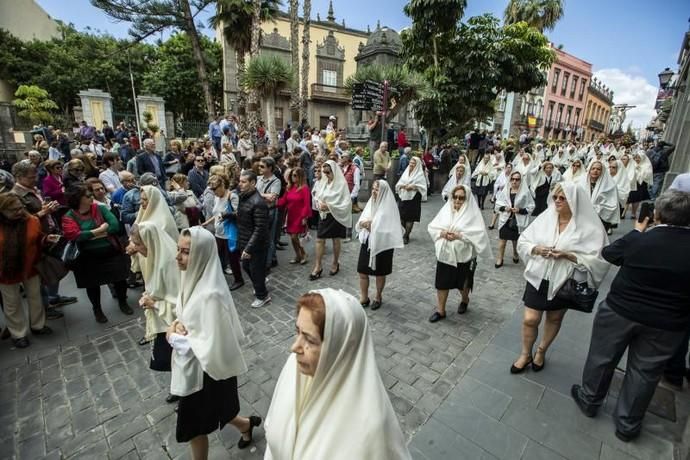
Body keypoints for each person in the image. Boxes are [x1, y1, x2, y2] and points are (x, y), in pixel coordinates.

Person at [571, 190, 690, 442]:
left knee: (602, 357)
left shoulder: (639, 239)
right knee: (645, 372)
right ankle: (627, 423)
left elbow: (609, 254)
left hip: (621, 311)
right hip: (668, 323)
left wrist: (637, 231)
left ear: (656, 214)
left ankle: (590, 399)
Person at [263, 288, 412, 460]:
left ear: (339, 349)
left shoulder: (370, 431)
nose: (294, 347)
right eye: (297, 332)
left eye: (310, 340)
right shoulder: (294, 369)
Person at [168, 227, 261, 458]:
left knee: (194, 428)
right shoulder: (190, 278)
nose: (178, 256)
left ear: (201, 255)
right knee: (220, 411)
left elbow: (214, 343)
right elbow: (187, 317)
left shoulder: (211, 295)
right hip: (196, 371)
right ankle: (246, 425)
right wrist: (175, 325)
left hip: (208, 373)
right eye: (178, 249)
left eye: (186, 251)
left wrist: (175, 336)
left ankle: (245, 425)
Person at [512, 182, 609, 374]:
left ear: (574, 201)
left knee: (554, 318)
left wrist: (568, 255)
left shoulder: (590, 227)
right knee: (530, 319)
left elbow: (599, 259)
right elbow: (524, 240)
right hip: (538, 276)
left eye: (562, 198)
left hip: (564, 281)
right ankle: (525, 353)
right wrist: (536, 249)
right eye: (555, 197)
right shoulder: (546, 218)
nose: (557, 201)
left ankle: (541, 351)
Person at [62, 184, 133, 323]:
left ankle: (123, 302)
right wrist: (99, 230)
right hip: (87, 257)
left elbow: (114, 225)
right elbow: (75, 236)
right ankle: (97, 309)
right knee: (92, 285)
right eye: (87, 195)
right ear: (78, 199)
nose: (91, 197)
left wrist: (89, 234)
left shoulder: (99, 208)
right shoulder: (68, 216)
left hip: (110, 251)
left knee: (120, 279)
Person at [126, 222, 178, 402]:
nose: (136, 248)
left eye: (138, 244)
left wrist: (154, 303)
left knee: (178, 359)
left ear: (150, 241)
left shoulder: (169, 263)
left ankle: (188, 395)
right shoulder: (154, 255)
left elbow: (181, 304)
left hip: (174, 323)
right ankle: (180, 389)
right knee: (172, 360)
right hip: (163, 321)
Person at [0, 193, 59, 348]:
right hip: (5, 271)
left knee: (35, 297)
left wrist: (46, 239)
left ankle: (38, 326)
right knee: (12, 303)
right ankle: (18, 334)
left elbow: (38, 238)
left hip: (30, 266)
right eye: (13, 210)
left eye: (20, 208)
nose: (19, 212)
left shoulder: (31, 221)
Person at [427, 184, 492, 323]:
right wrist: (442, 233)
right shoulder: (446, 211)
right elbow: (433, 227)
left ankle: (464, 299)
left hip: (464, 256)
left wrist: (459, 236)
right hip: (445, 254)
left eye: (461, 198)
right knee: (442, 282)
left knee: (463, 282)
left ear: (466, 199)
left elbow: (478, 234)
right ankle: (441, 310)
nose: (457, 200)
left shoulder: (472, 214)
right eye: (455, 197)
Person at [355, 180, 404, 311]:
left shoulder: (389, 207)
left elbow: (390, 228)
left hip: (383, 245)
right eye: (373, 189)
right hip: (368, 242)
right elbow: (362, 220)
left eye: (377, 189)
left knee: (380, 273)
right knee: (362, 270)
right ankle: (364, 297)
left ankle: (378, 296)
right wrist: (364, 224)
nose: (374, 191)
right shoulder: (371, 203)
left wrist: (373, 226)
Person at [311, 160, 352, 280]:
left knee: (335, 240)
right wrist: (319, 203)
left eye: (328, 172)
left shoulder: (341, 184)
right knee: (319, 239)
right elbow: (317, 196)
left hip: (335, 216)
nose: (325, 174)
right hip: (323, 215)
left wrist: (329, 206)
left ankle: (335, 262)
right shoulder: (323, 183)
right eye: (324, 172)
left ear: (333, 171)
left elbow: (346, 203)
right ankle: (318, 266)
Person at [237, 170, 271, 308]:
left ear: (253, 183)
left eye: (243, 182)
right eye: (240, 181)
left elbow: (260, 228)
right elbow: (243, 215)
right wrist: (227, 215)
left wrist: (249, 248)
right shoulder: (244, 196)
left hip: (257, 244)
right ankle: (260, 284)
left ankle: (263, 296)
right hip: (246, 239)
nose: (240, 184)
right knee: (247, 266)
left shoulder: (258, 202)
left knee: (255, 269)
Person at [494, 171, 534, 268]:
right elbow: (498, 205)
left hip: (517, 221)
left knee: (515, 241)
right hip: (505, 220)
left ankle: (515, 253)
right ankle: (500, 258)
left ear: (520, 181)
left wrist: (520, 210)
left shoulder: (525, 193)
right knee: (502, 242)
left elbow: (531, 206)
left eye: (517, 179)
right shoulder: (506, 191)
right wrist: (505, 208)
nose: (514, 181)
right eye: (512, 179)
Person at [277, 167, 311, 265]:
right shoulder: (289, 188)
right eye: (291, 175)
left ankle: (303, 254)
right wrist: (272, 202)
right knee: (292, 237)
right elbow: (283, 200)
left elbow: (306, 204)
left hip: (299, 216)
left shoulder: (304, 188)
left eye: (295, 175)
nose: (292, 177)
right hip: (291, 216)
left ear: (300, 176)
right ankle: (298, 255)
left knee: (294, 237)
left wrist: (304, 217)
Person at [579, 160, 620, 235]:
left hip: (601, 218)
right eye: (593, 168)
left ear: (602, 171)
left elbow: (612, 203)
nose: (595, 171)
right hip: (583, 216)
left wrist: (597, 209)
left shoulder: (610, 185)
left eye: (598, 169)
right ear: (589, 170)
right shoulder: (581, 182)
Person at [256, 157, 282, 271]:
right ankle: (272, 257)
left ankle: (268, 262)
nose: (259, 168)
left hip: (270, 211)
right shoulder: (258, 178)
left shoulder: (276, 181)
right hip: (259, 211)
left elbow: (272, 198)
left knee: (269, 237)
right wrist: (265, 195)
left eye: (262, 166)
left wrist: (257, 194)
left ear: (270, 168)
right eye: (259, 166)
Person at [395, 156, 427, 244]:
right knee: (401, 217)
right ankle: (404, 231)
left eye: (413, 163)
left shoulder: (419, 174)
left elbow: (423, 186)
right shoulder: (405, 172)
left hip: (414, 198)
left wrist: (414, 187)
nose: (411, 165)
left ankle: (406, 236)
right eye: (411, 163)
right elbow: (400, 183)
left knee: (410, 218)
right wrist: (402, 186)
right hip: (403, 196)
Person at [624, 152, 653, 220]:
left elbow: (647, 175)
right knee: (628, 198)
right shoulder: (632, 164)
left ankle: (633, 213)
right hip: (631, 183)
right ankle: (623, 213)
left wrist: (639, 169)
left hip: (641, 184)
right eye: (636, 157)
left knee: (636, 199)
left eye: (639, 157)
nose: (637, 159)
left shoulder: (647, 165)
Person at [488, 163, 513, 230]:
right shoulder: (502, 175)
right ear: (505, 168)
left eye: (510, 167)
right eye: (507, 167)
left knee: (505, 210)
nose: (508, 169)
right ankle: (492, 224)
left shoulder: (512, 176)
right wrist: (498, 188)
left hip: (508, 196)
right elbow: (496, 184)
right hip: (500, 194)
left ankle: (503, 224)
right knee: (496, 209)